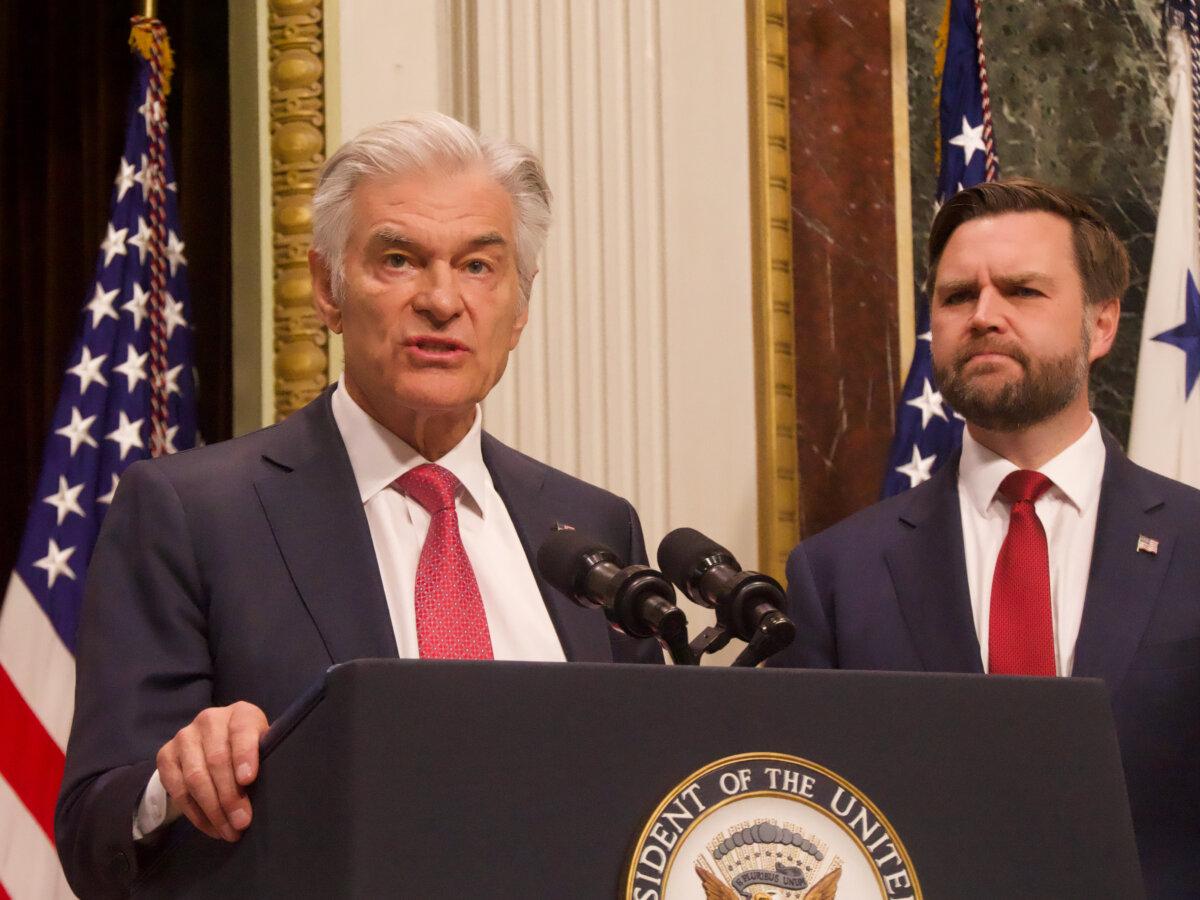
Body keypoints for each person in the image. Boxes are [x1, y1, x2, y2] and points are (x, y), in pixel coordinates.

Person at [55, 113, 660, 896]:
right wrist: (176, 782)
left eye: (479, 266)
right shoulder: (193, 513)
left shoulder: (591, 528)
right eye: (399, 260)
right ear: (326, 289)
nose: (442, 300)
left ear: (520, 306)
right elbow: (94, 829)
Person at [770, 178, 1199, 896]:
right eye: (958, 296)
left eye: (1023, 291)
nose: (984, 316)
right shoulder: (838, 574)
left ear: (1101, 325)